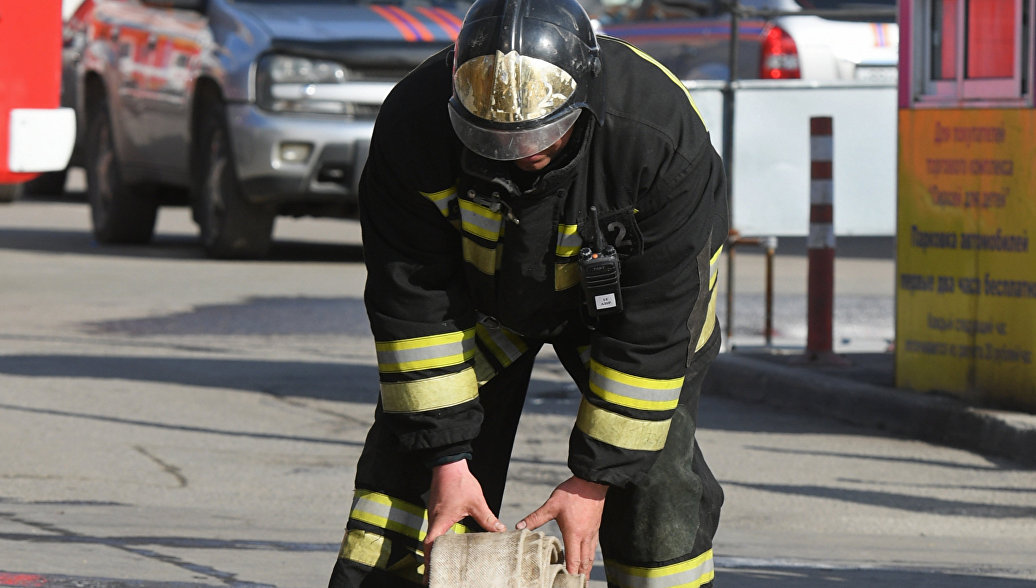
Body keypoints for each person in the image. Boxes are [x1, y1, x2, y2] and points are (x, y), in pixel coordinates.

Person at [327, 0, 728, 586]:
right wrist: (446, 459)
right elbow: (414, 304)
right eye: (491, 140)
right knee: (407, 471)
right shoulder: (413, 124)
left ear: (585, 91)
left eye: (541, 135)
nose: (519, 153)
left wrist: (594, 481)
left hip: (618, 320)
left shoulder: (658, 135)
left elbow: (655, 331)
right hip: (480, 310)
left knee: (653, 473)